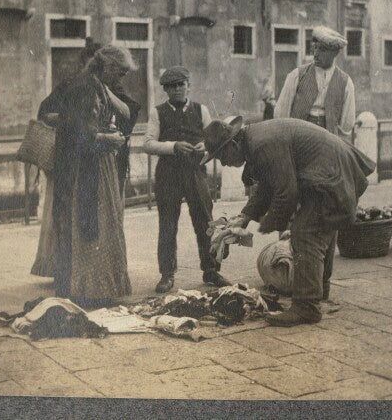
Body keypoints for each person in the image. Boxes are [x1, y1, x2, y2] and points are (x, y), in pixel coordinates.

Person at [200, 117, 375, 326]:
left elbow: (286, 193)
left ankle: (306, 307)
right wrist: (245, 218)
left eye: (221, 156)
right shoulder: (255, 139)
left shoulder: (261, 144)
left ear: (234, 144)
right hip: (333, 171)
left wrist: (264, 228)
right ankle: (319, 289)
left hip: (332, 177)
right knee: (322, 226)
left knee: (305, 232)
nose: (224, 163)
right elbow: (268, 184)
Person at [43, 45, 136, 304]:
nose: (120, 80)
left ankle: (89, 289)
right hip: (81, 168)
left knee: (96, 223)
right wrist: (106, 137)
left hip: (93, 164)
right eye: (119, 74)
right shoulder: (84, 87)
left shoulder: (95, 85)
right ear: (106, 67)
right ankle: (84, 290)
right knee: (85, 224)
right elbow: (78, 132)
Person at [143, 66, 229, 293]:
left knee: (205, 221)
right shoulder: (157, 112)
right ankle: (167, 274)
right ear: (166, 90)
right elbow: (148, 143)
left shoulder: (201, 110)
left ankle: (211, 270)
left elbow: (213, 141)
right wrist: (173, 146)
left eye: (181, 84)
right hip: (168, 174)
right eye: (172, 86)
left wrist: (205, 146)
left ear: (188, 85)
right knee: (168, 225)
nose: (178, 89)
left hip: (195, 172)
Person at [273, 26, 356, 138]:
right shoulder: (297, 75)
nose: (315, 54)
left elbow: (347, 125)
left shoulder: (345, 82)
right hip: (299, 140)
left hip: (329, 142)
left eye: (322, 50)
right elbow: (280, 114)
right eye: (315, 48)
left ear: (335, 53)